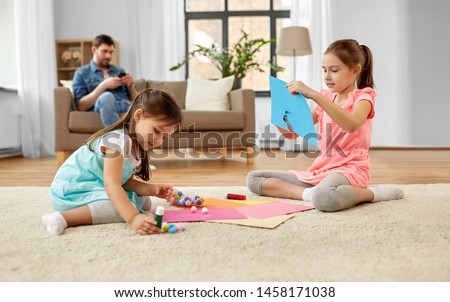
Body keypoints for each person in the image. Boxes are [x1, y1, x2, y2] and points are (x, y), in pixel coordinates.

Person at [247, 39, 404, 212]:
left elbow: (352, 124)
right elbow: (292, 135)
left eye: (334, 70)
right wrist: (280, 114)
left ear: (355, 71)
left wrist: (314, 95)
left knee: (326, 198)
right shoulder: (327, 99)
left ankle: (373, 193)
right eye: (324, 70)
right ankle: (310, 194)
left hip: (350, 168)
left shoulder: (364, 98)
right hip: (322, 168)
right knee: (254, 178)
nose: (327, 77)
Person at [42, 89, 182, 236]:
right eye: (157, 131)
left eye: (165, 137)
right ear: (138, 116)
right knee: (122, 208)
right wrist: (133, 217)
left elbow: (125, 182)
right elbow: (112, 184)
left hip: (94, 185)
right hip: (72, 190)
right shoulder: (118, 141)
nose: (159, 140)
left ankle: (96, 209)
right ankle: (61, 218)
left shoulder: (137, 148)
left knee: (144, 201)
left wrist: (153, 189)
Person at [72, 34, 138, 127]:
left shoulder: (119, 70)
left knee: (146, 103)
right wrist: (104, 85)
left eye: (111, 52)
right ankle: (118, 137)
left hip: (125, 106)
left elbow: (136, 101)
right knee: (106, 96)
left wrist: (131, 86)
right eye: (104, 51)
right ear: (94, 50)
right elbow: (81, 106)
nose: (108, 56)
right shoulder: (82, 73)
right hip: (102, 106)